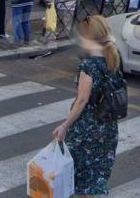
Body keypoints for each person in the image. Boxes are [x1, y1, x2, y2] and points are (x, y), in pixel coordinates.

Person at [52, 15, 123, 196]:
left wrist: (65, 125)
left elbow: (82, 100)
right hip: (108, 126)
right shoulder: (113, 58)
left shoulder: (88, 66)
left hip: (88, 126)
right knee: (98, 173)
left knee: (77, 171)